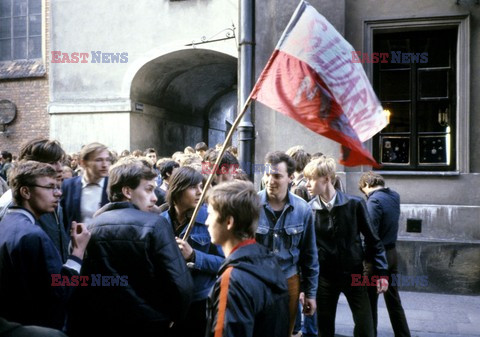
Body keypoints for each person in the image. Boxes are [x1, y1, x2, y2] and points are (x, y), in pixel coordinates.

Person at [67, 157, 193, 337]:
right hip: (150, 323)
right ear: (127, 191)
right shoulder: (155, 225)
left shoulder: (91, 227)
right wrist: (175, 316)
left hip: (103, 323)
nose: (155, 197)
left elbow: (84, 283)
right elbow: (180, 283)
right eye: (148, 189)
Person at [304, 156, 389, 337]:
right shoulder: (308, 210)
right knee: (324, 330)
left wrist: (381, 273)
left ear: (326, 179)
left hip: (355, 276)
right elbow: (306, 252)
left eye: (311, 179)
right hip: (325, 279)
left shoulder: (354, 204)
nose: (307, 184)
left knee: (366, 329)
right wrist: (306, 287)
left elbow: (373, 240)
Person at [0, 161, 90, 329]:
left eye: (58, 186)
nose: (58, 193)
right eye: (50, 187)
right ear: (26, 191)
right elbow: (60, 291)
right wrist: (78, 251)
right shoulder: (33, 235)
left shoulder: (7, 222)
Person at [204, 180, 289, 337]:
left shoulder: (232, 279)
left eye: (210, 214)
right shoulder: (269, 261)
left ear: (229, 222)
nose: (206, 222)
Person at [256, 151, 319, 334]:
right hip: (258, 280)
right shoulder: (251, 204)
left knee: (284, 330)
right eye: (267, 174)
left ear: (291, 177)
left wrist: (310, 294)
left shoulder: (302, 209)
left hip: (289, 280)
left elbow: (310, 256)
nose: (269, 180)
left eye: (276, 176)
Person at [161, 166, 224, 337]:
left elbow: (224, 263)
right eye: (193, 187)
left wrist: (194, 256)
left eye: (201, 187)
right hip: (169, 301)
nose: (199, 192)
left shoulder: (210, 220)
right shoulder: (160, 222)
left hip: (199, 301)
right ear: (177, 189)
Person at [359, 171, 411, 337]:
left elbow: (370, 233)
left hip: (375, 258)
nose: (365, 195)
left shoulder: (374, 201)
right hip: (392, 253)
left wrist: (364, 257)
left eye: (364, 191)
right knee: (394, 300)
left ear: (366, 184)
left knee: (369, 302)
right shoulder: (394, 196)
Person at [0, 138, 69, 261]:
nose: (60, 168)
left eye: (60, 161)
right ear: (31, 165)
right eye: (52, 162)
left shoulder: (49, 196)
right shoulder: (11, 203)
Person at [61, 142, 110, 231]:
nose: (105, 164)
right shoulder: (68, 186)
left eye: (107, 160)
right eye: (98, 160)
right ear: (83, 163)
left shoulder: (113, 186)